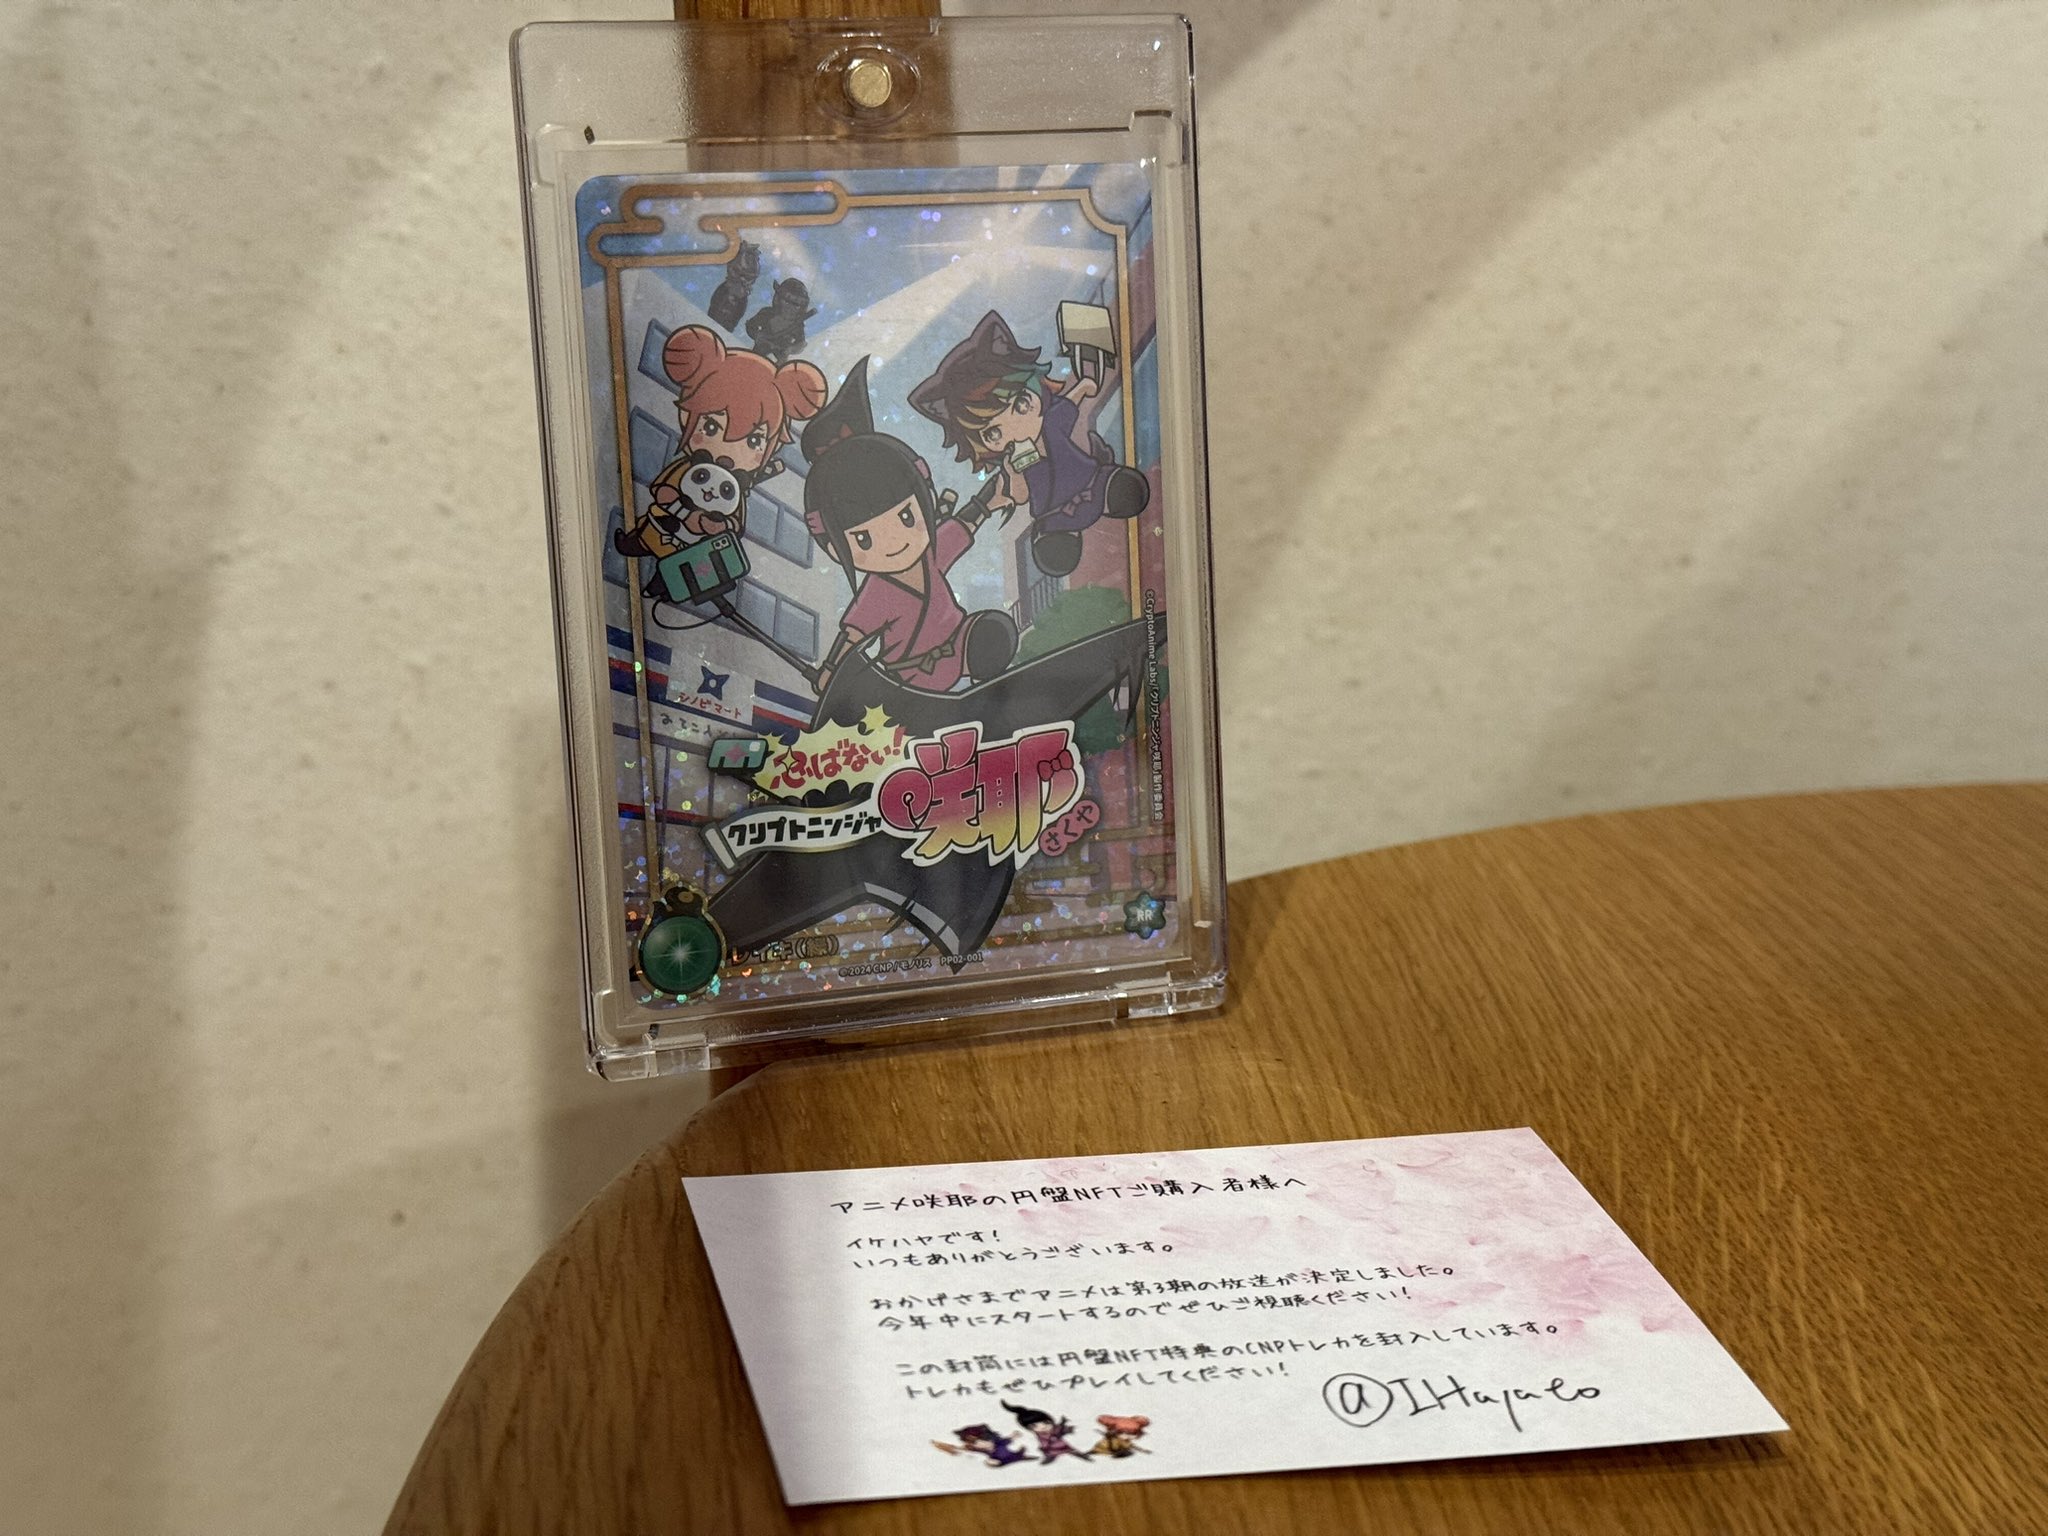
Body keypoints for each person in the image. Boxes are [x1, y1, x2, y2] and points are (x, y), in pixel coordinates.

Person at [801, 356, 1016, 695]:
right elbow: (853, 637)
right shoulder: (878, 591)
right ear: (833, 547)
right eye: (864, 539)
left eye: (906, 517)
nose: (894, 542)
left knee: (994, 630)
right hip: (912, 677)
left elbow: (963, 524)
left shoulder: (930, 553)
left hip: (960, 646)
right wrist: (831, 671)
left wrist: (990, 500)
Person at [909, 309, 1149, 578]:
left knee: (1127, 489)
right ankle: (1060, 541)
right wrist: (1013, 473)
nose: (1016, 427)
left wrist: (1084, 386)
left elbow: (1069, 404)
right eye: (993, 433)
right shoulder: (1014, 463)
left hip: (1094, 483)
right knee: (1053, 554)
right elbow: (1020, 496)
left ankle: (1112, 494)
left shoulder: (1051, 424)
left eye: (1021, 404)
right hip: (1055, 516)